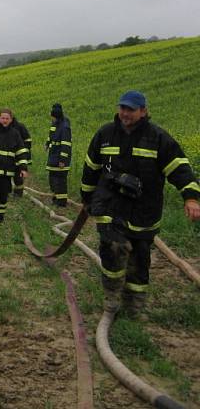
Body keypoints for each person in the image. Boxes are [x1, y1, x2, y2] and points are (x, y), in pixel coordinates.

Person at [81, 90, 200, 316]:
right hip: (110, 205)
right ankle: (112, 296)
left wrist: (191, 197)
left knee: (139, 257)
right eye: (122, 108)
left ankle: (134, 304)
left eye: (131, 109)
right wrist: (87, 197)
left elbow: (179, 168)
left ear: (143, 111)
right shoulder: (105, 134)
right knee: (112, 248)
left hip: (144, 209)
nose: (125, 113)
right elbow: (91, 168)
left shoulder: (158, 138)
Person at [46, 103, 72, 207]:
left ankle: (61, 203)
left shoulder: (65, 127)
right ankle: (55, 198)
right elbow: (51, 135)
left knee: (60, 181)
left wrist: (62, 160)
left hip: (60, 157)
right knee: (52, 179)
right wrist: (47, 144)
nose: (51, 119)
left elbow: (66, 145)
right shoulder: (55, 124)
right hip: (53, 155)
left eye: (52, 117)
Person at [9, 114, 32, 196]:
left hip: (20, 156)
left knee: (18, 176)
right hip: (11, 157)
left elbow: (28, 140)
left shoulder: (19, 127)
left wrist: (23, 152)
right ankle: (8, 192)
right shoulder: (6, 127)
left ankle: (18, 193)